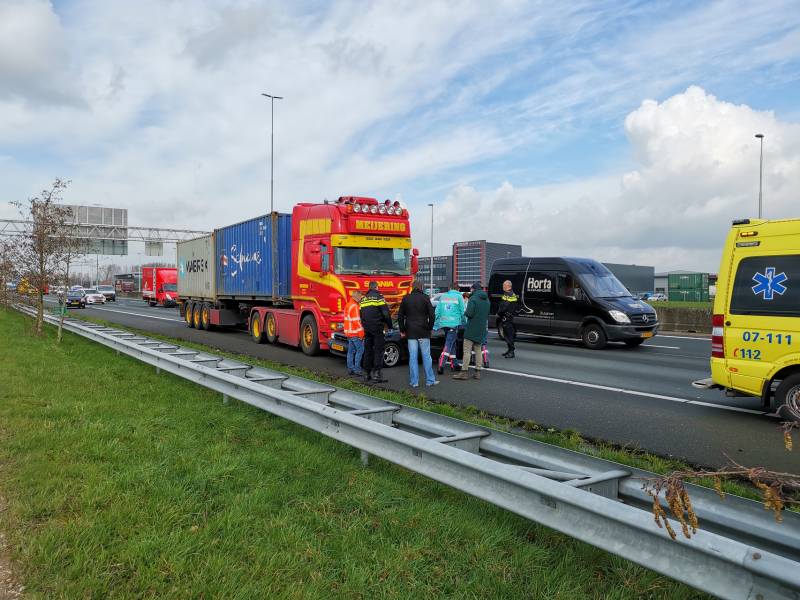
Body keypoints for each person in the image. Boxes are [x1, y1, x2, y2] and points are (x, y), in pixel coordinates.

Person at [398, 279, 438, 388]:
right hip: (424, 331)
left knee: (413, 357)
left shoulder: (406, 298)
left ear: (412, 287)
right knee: (426, 356)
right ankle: (430, 380)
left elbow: (400, 316)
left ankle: (414, 382)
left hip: (410, 332)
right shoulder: (425, 298)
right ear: (421, 287)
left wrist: (402, 330)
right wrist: (429, 327)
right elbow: (432, 315)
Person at [453, 282, 490, 381]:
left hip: (471, 328)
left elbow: (469, 313)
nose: (471, 291)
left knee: (467, 351)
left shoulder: (473, 299)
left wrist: (465, 312)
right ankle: (478, 372)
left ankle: (464, 372)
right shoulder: (487, 299)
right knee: (478, 350)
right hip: (481, 328)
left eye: (471, 289)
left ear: (474, 289)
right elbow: (487, 314)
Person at [360, 281, 393, 384]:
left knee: (368, 350)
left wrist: (365, 325)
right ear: (376, 287)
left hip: (367, 328)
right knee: (379, 350)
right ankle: (376, 374)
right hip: (377, 328)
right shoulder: (379, 297)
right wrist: (390, 326)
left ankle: (366, 374)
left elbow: (361, 315)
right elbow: (386, 313)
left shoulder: (363, 299)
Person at [434, 281, 465, 375]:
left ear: (450, 288)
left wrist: (436, 324)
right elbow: (462, 311)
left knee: (452, 343)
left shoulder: (443, 296)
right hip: (454, 324)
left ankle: (454, 364)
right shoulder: (459, 297)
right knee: (449, 343)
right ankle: (441, 365)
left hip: (444, 323)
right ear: (458, 289)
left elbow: (437, 311)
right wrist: (464, 322)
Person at [343, 290, 365, 377]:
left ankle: (350, 369)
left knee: (351, 351)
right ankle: (357, 370)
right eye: (360, 297)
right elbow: (356, 321)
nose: (361, 299)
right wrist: (361, 333)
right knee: (360, 350)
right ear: (356, 297)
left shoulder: (348, 305)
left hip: (349, 332)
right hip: (355, 333)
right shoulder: (355, 306)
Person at [497, 280, 520, 358]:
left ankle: (511, 352)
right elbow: (502, 305)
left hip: (508, 318)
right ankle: (509, 350)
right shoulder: (506, 294)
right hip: (505, 318)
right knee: (506, 335)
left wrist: (500, 313)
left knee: (509, 335)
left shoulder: (510, 295)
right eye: (503, 285)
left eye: (504, 285)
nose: (503, 286)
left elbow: (505, 307)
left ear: (509, 286)